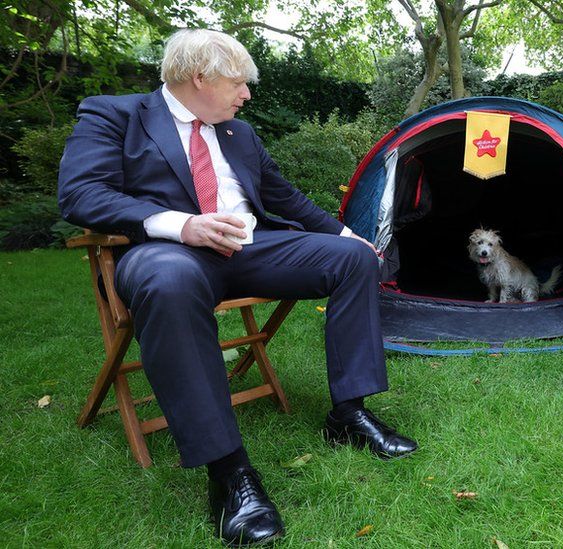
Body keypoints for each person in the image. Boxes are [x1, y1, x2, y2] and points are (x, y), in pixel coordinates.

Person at [58, 29, 417, 545]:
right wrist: (180, 223)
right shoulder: (115, 115)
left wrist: (348, 234)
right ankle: (230, 474)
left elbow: (283, 198)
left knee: (352, 258)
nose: (247, 94)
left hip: (253, 248)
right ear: (199, 76)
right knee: (170, 280)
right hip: (168, 252)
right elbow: (80, 194)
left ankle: (350, 413)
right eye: (239, 83)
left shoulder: (238, 133)